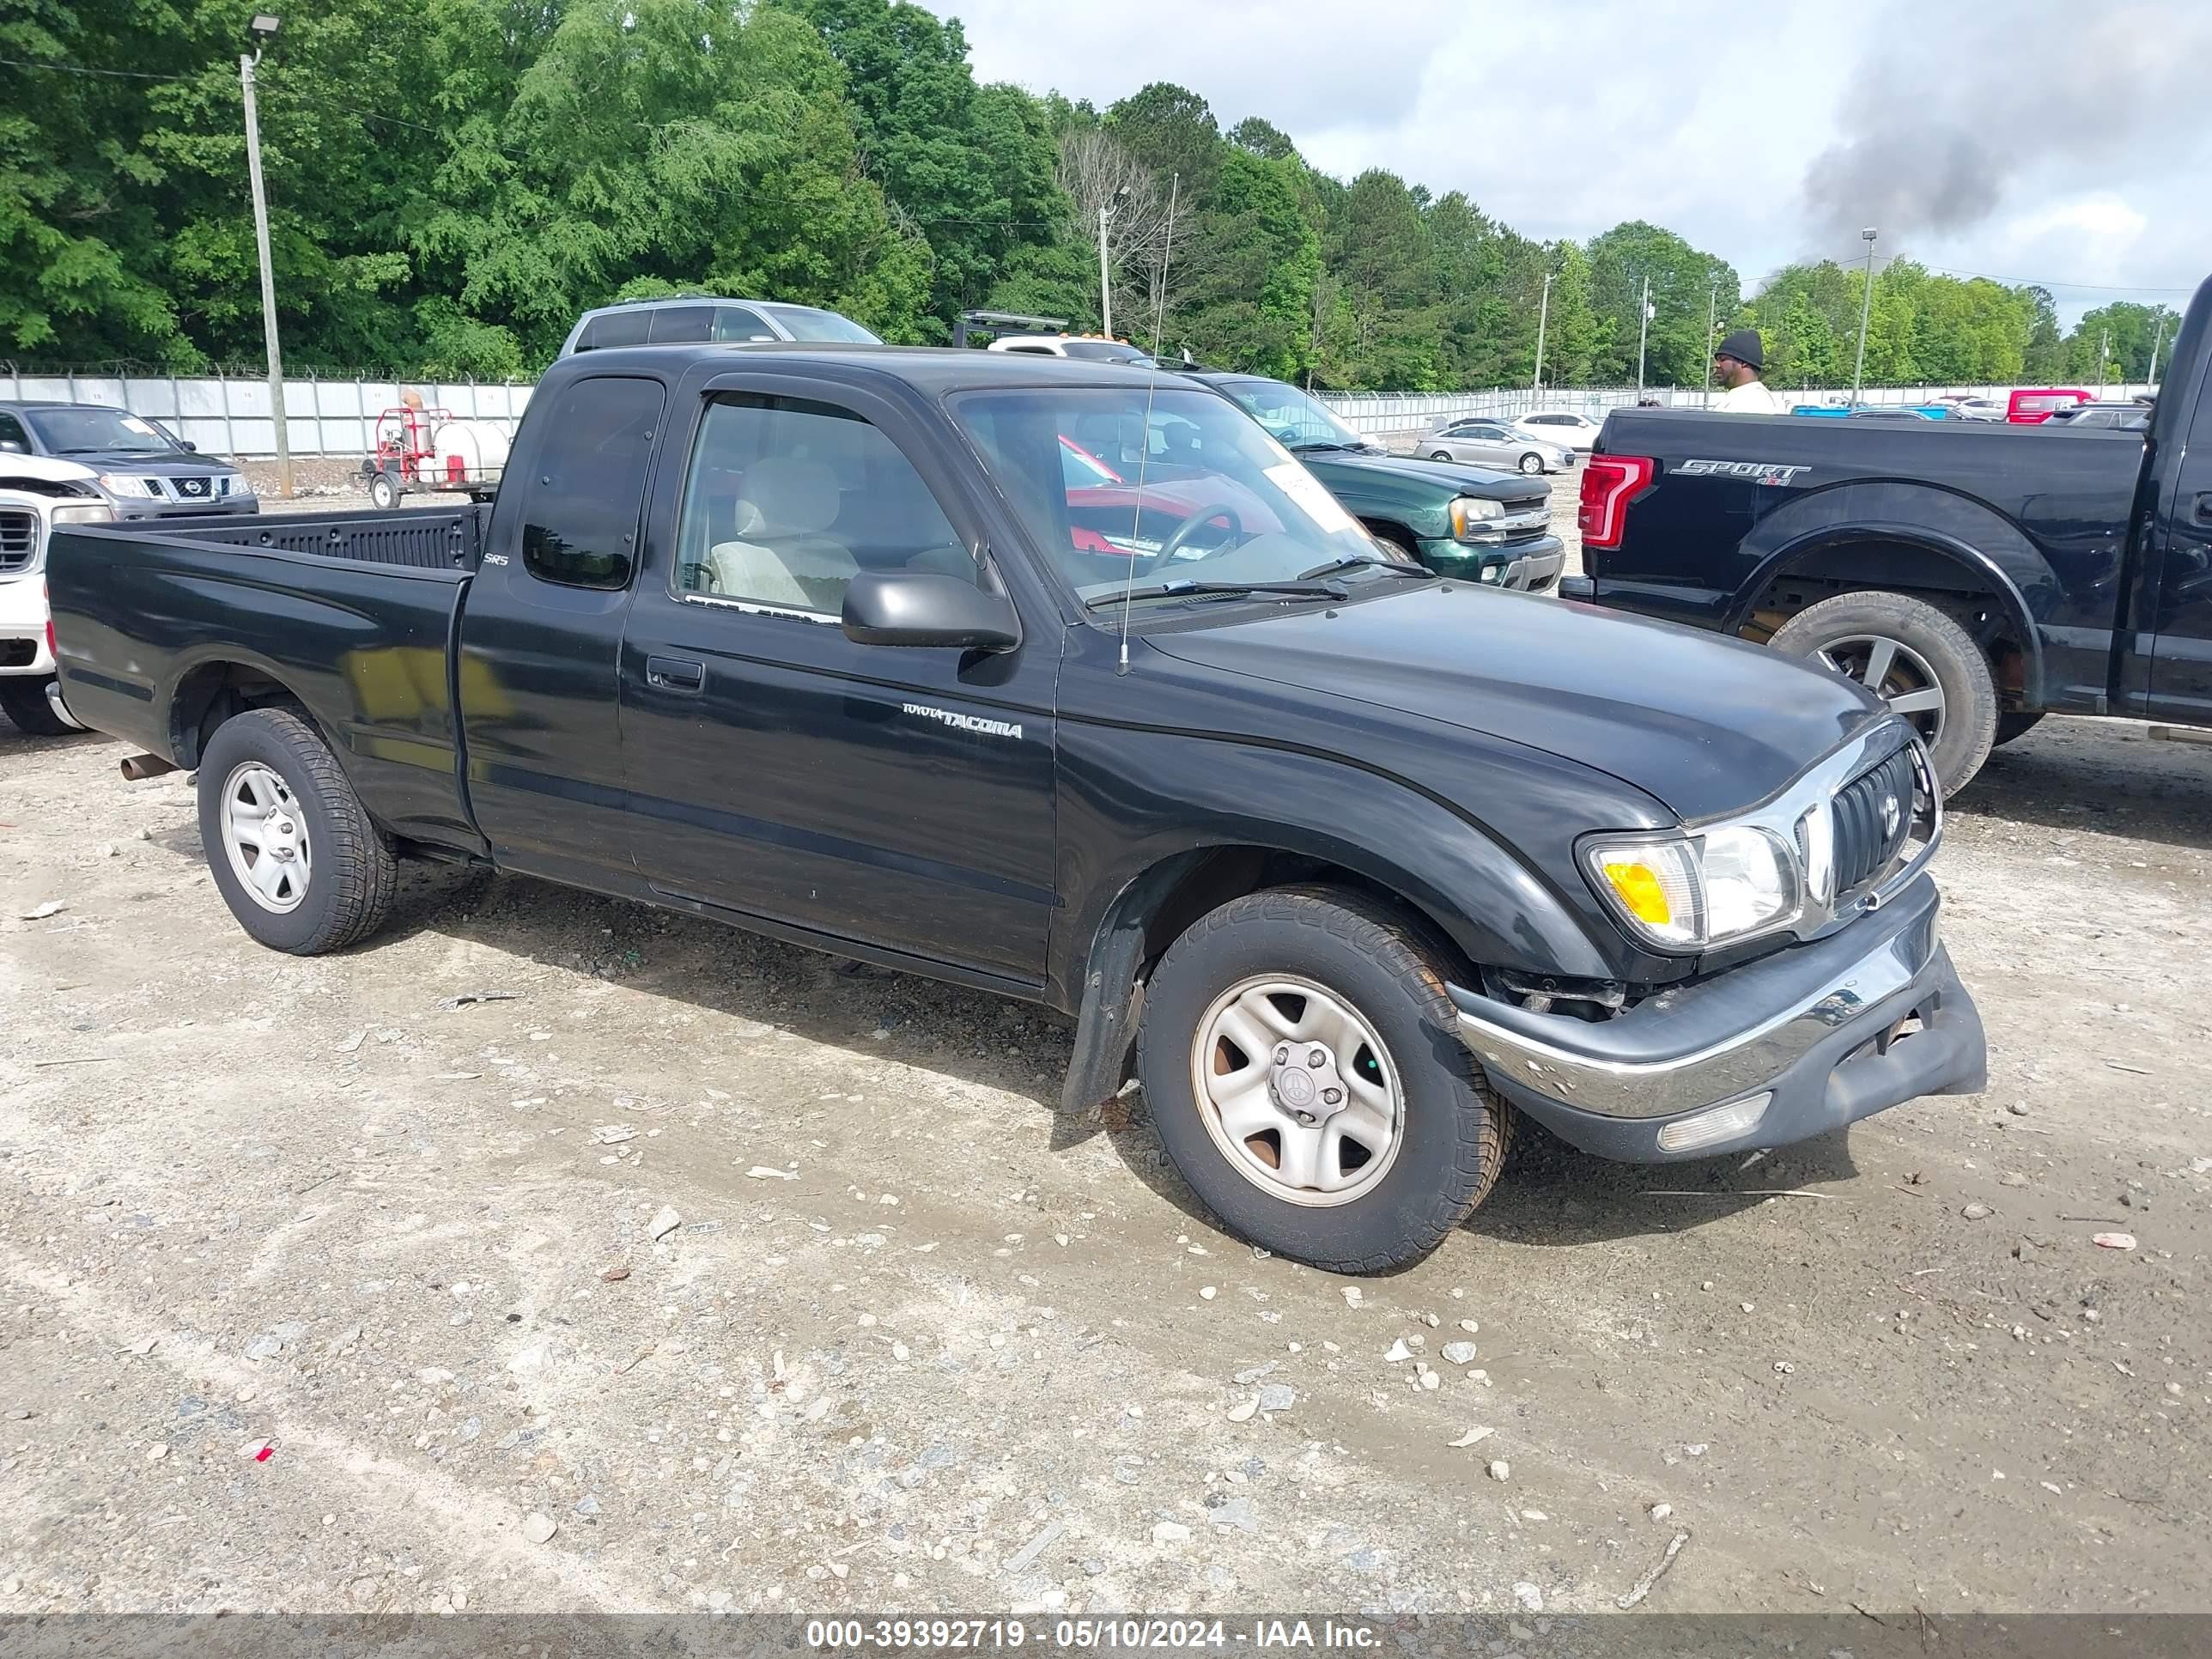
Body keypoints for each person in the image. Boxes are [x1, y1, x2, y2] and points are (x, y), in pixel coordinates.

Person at [1711, 329, 1784, 414]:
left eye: (1723, 359)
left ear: (1743, 362)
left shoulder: (1753, 401)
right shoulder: (1742, 396)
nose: (1717, 365)